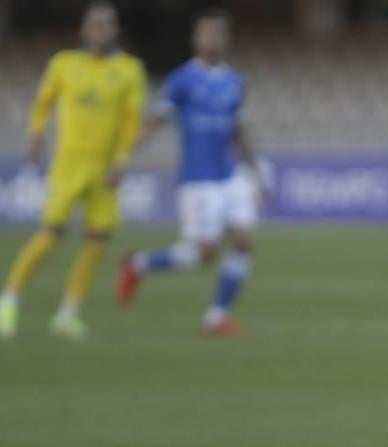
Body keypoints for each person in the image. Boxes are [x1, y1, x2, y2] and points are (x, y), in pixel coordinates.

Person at [116, 8, 268, 336]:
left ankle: (216, 317)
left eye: (218, 33)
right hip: (198, 180)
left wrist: (256, 175)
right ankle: (138, 264)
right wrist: (124, 158)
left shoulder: (234, 83)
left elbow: (240, 131)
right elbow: (155, 121)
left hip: (229, 176)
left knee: (243, 243)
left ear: (228, 40)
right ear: (195, 40)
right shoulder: (182, 80)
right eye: (206, 33)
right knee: (204, 254)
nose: (212, 39)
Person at [0, 1, 146, 342]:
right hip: (69, 162)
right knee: (51, 232)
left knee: (97, 240)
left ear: (116, 29)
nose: (100, 30)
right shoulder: (64, 64)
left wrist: (123, 160)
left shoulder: (129, 69)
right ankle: (9, 299)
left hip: (105, 166)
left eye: (107, 24)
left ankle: (68, 313)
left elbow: (131, 122)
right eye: (94, 24)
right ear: (83, 29)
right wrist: (36, 135)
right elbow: (42, 102)